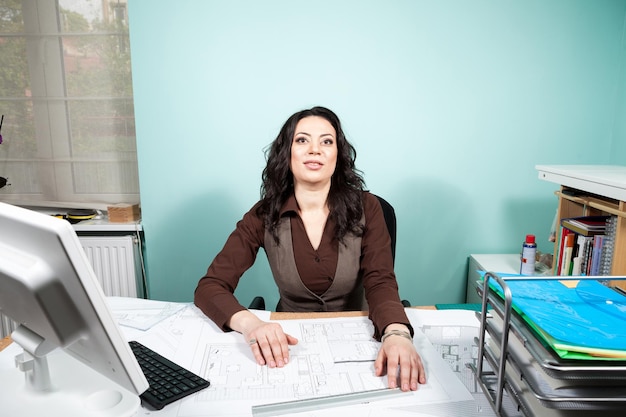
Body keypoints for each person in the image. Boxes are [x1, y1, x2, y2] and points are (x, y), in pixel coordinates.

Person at [194, 106, 426, 392]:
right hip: (290, 345)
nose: (315, 149)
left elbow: (381, 281)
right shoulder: (263, 214)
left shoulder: (369, 208)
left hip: (359, 339)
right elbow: (210, 286)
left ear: (337, 154)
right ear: (287, 153)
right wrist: (250, 324)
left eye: (326, 141)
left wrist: (396, 332)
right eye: (302, 140)